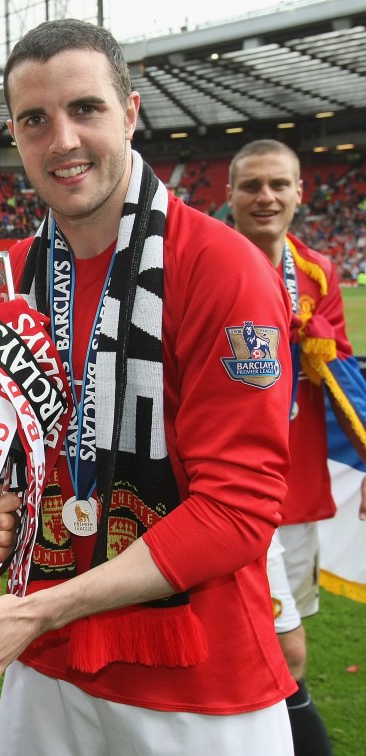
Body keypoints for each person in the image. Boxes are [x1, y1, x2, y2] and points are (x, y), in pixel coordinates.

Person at [0, 19, 297, 756]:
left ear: (130, 113)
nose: (63, 140)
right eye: (36, 120)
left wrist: (46, 608)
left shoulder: (221, 268)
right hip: (45, 664)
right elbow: (1, 467)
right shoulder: (14, 277)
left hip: (192, 678)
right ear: (15, 134)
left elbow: (236, 511)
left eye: (86, 109)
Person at [227, 138, 366, 756]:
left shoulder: (318, 272)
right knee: (284, 648)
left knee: (276, 637)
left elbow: (337, 371)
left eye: (278, 184)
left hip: (293, 484)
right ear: (228, 193)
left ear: (300, 193)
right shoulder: (201, 259)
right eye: (251, 185)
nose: (265, 197)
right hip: (226, 486)